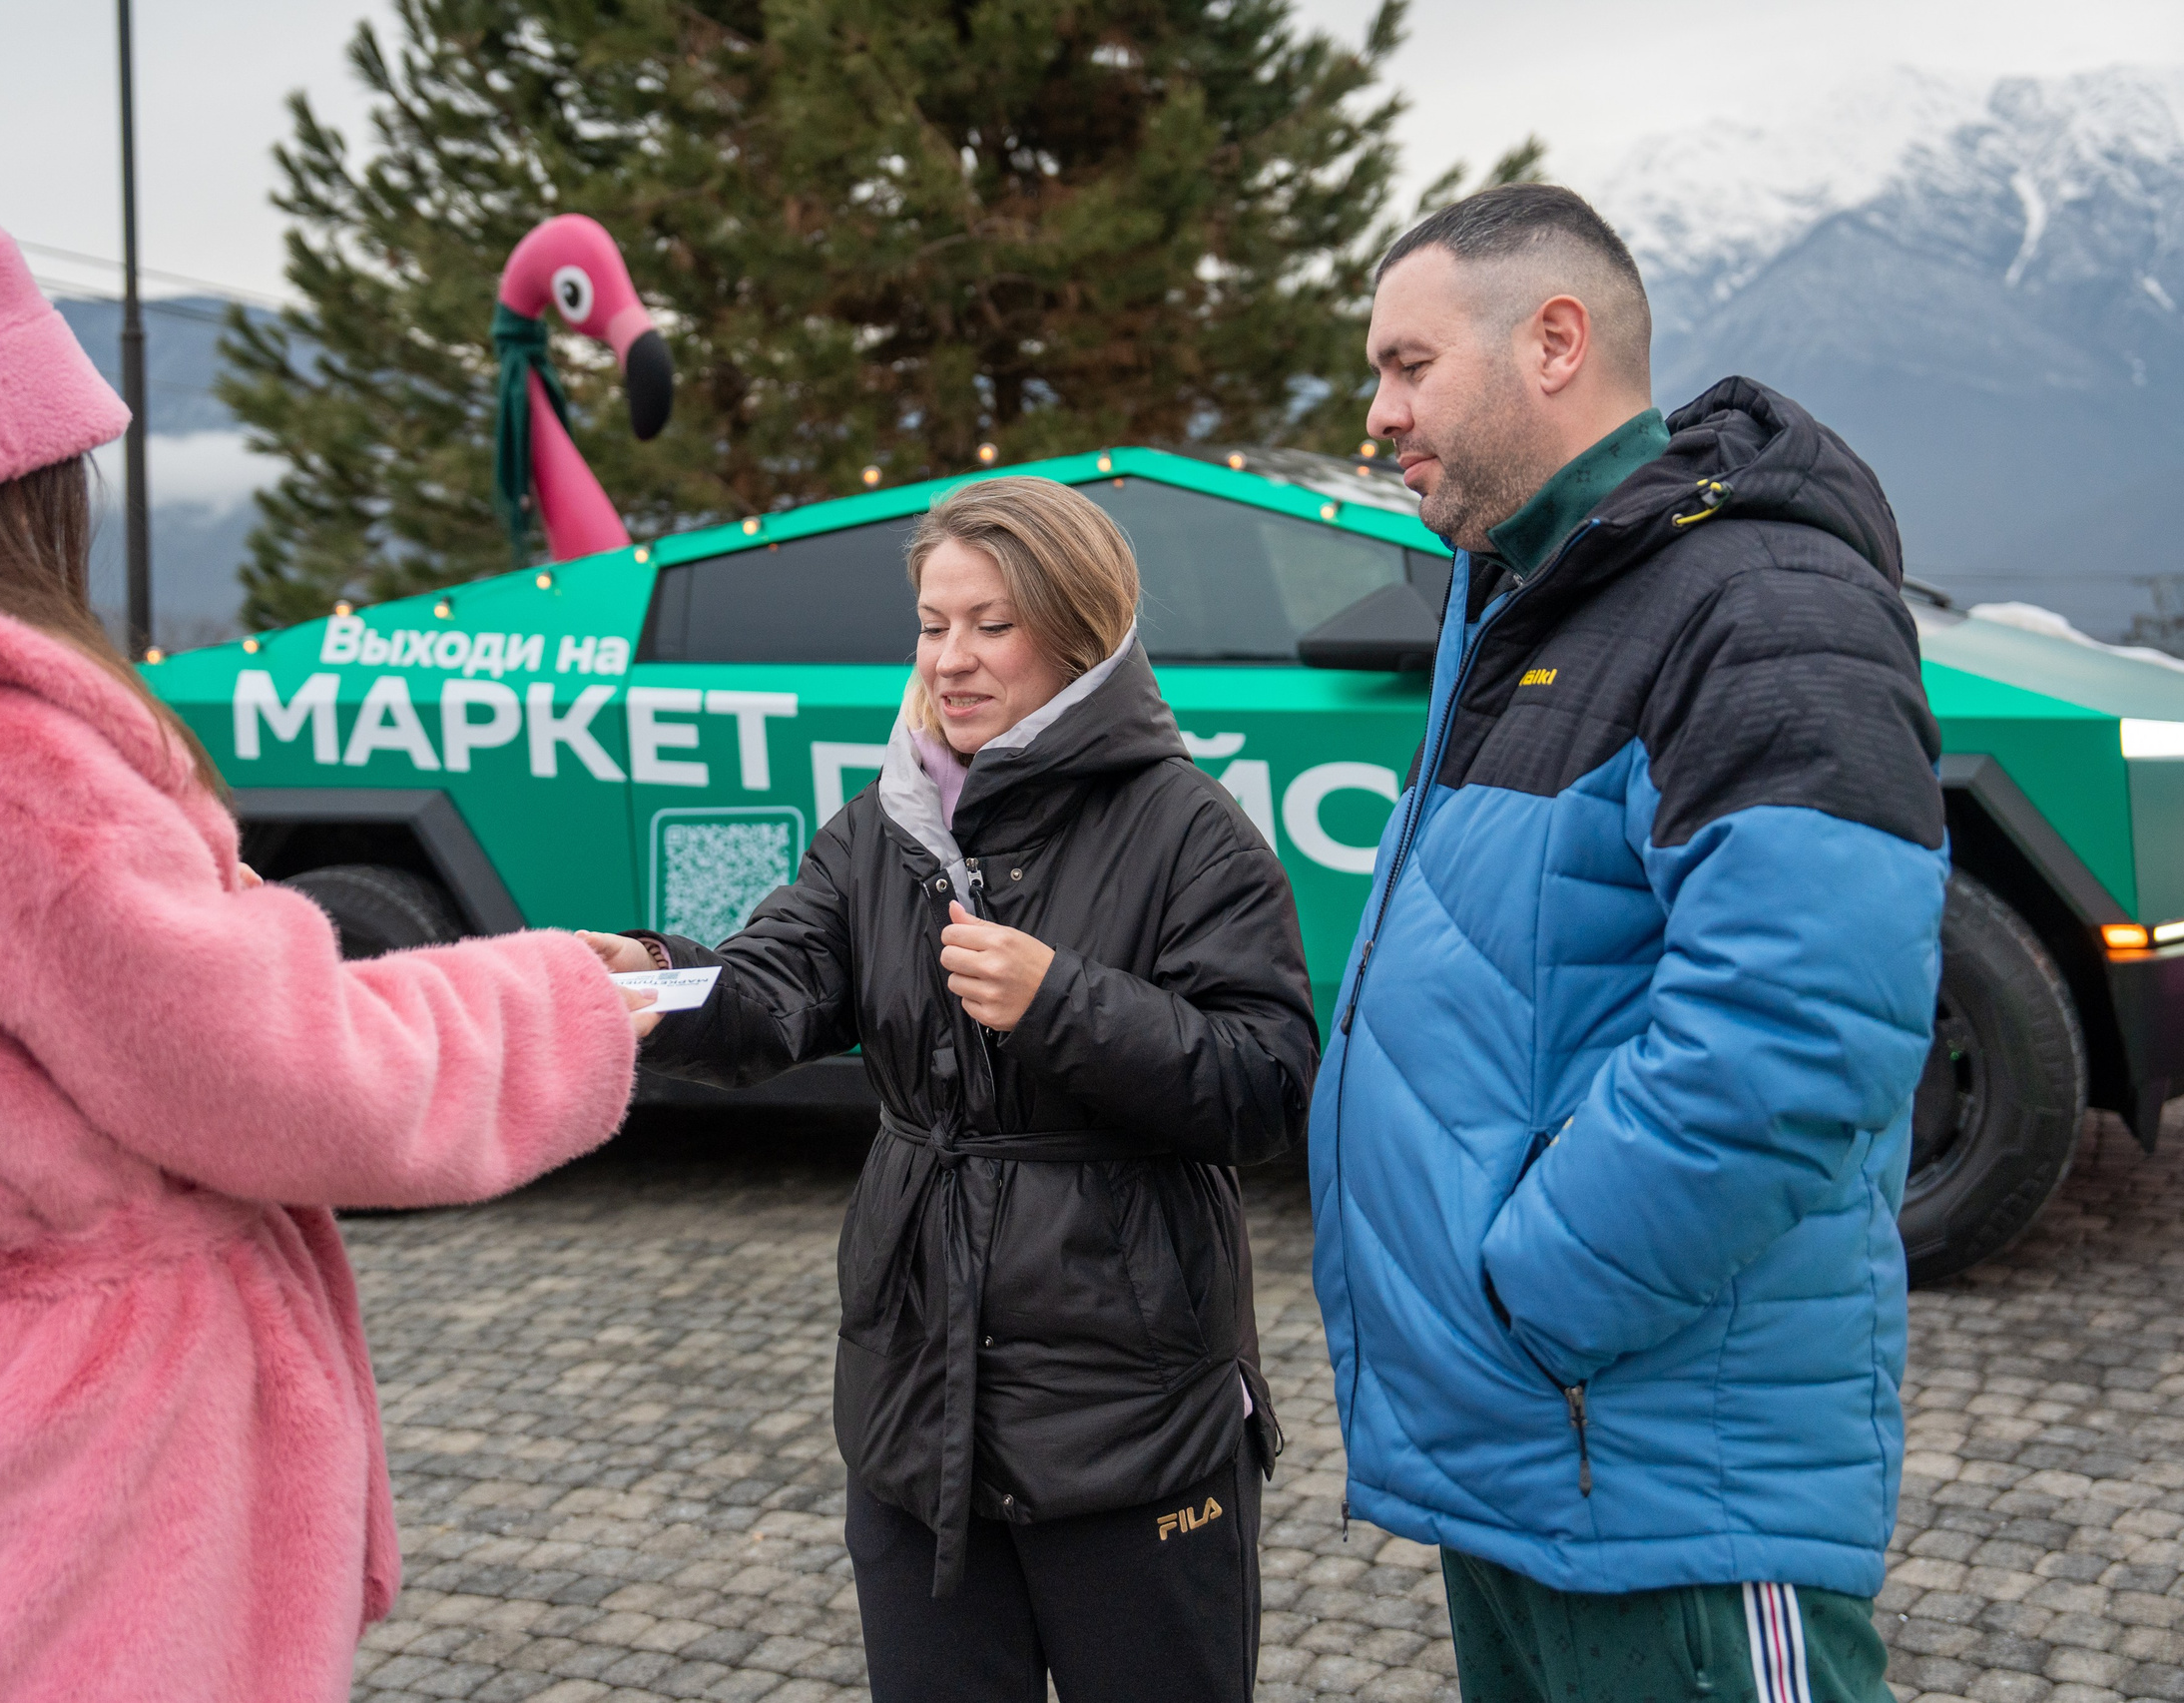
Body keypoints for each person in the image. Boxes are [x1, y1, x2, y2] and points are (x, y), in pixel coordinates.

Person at [0, 211, 658, 1703]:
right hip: (83, 1466)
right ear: (18, 473)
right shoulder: (1, 769)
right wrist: (575, 994)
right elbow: (303, 1080)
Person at [1310, 182, 1946, 1702]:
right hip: (1539, 1461)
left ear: (1553, 340)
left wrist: (1533, 1295)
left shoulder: (1762, 600)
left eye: (1407, 367)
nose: (1377, 417)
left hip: (1667, 1484)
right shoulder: (1529, 600)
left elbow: (1798, 1038)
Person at [580, 475, 1318, 1703]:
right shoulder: (885, 825)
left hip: (1130, 1422)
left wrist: (1062, 1002)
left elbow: (1266, 1082)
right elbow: (774, 991)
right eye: (934, 624)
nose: (954, 660)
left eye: (994, 624)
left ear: (1081, 633)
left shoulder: (1190, 828)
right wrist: (654, 977)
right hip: (916, 1414)